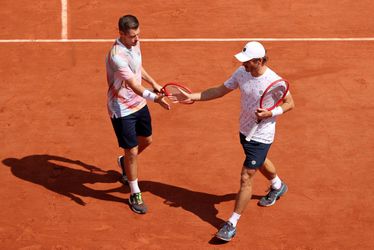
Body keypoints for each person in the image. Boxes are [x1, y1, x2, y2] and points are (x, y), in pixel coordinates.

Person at [175, 41, 295, 241]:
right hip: (245, 129)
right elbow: (220, 90)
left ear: (258, 61)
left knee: (247, 176)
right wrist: (193, 96)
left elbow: (291, 103)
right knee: (259, 161)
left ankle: (231, 223)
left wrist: (271, 112)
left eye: (247, 62)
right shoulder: (242, 73)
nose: (244, 64)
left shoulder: (274, 81)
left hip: (262, 134)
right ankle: (277, 185)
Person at [105, 15, 170, 214]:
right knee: (132, 151)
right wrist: (155, 98)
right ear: (122, 34)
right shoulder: (116, 56)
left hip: (139, 104)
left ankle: (124, 162)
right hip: (122, 108)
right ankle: (134, 191)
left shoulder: (134, 45)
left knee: (147, 140)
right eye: (133, 36)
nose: (137, 39)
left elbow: (138, 68)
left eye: (138, 35)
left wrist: (154, 82)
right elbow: (133, 84)